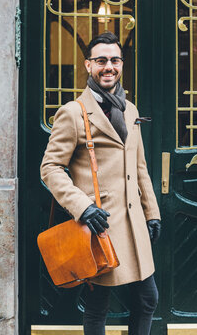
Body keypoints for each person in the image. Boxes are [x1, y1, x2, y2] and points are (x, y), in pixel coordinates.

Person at [40, 31, 161, 335]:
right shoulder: (73, 113)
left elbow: (140, 166)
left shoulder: (130, 109)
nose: (109, 66)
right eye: (101, 60)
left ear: (122, 64)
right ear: (88, 65)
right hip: (99, 226)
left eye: (115, 60)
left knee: (147, 299)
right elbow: (50, 168)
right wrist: (83, 207)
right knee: (98, 307)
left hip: (133, 225)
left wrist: (152, 212)